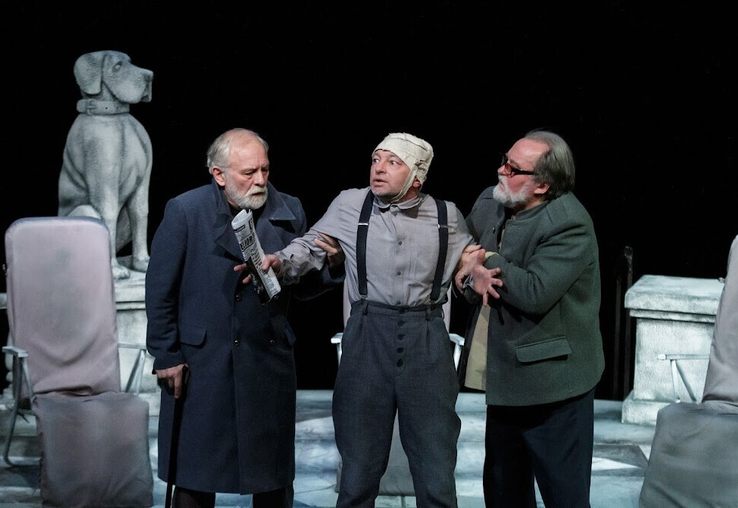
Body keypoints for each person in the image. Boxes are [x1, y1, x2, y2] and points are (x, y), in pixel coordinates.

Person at [256, 132, 501, 508]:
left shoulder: (446, 215)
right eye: (375, 160)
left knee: (436, 470)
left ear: (417, 176)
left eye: (392, 162)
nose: (379, 169)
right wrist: (280, 262)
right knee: (358, 471)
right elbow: (310, 246)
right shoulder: (350, 205)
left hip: (426, 338)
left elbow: (465, 268)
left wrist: (473, 275)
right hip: (368, 335)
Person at [145, 128, 342, 508]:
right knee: (195, 474)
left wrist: (331, 266)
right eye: (249, 173)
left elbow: (301, 288)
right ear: (218, 174)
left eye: (265, 170)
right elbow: (160, 289)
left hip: (265, 358)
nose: (261, 180)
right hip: (203, 363)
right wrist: (166, 354)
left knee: (271, 476)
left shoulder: (289, 210)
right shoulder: (186, 211)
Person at [455, 129, 605, 507]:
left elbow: (535, 292)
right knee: (503, 493)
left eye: (513, 168)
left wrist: (486, 259)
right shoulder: (490, 203)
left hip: (554, 386)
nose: (501, 171)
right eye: (504, 161)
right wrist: (468, 277)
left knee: (564, 496)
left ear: (542, 185)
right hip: (506, 379)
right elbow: (462, 263)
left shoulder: (568, 223)